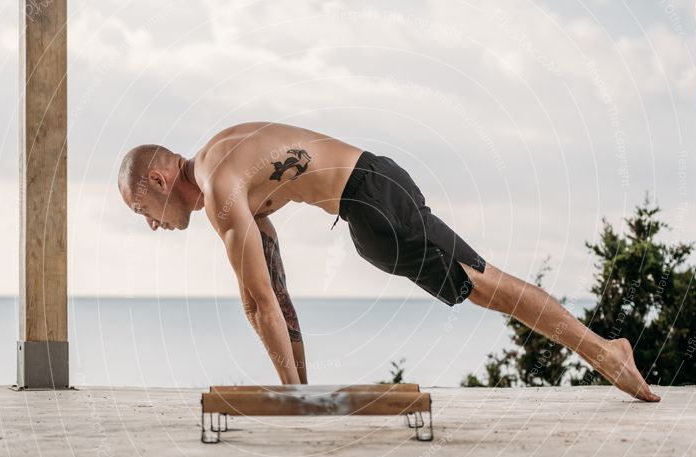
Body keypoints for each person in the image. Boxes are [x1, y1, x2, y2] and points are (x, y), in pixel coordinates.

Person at [117, 121, 660, 401]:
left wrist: (292, 401)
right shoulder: (222, 163)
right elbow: (276, 295)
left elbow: (257, 302)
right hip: (366, 214)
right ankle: (602, 351)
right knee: (480, 289)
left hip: (376, 195)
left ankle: (606, 352)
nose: (151, 224)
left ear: (161, 181)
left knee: (486, 283)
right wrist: (299, 393)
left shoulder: (220, 185)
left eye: (144, 208)